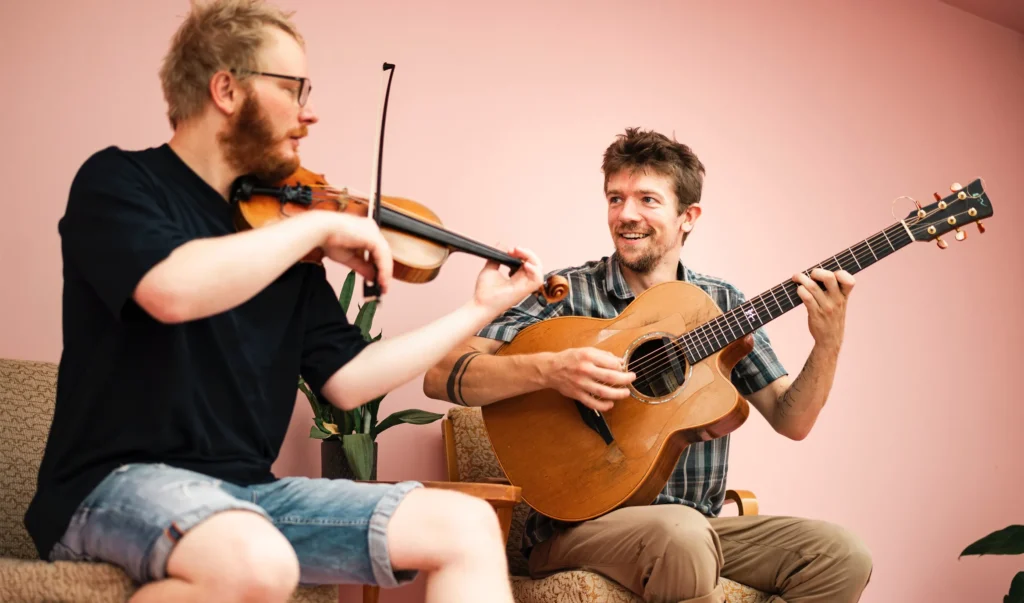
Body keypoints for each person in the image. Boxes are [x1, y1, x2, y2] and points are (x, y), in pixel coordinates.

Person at [24, 1, 547, 602]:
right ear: (226, 89)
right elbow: (170, 290)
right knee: (255, 559)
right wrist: (318, 229)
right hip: (112, 485)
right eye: (294, 88)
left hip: (249, 494)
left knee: (468, 525)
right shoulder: (120, 182)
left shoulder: (280, 230)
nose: (309, 111)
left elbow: (350, 381)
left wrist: (480, 308)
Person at [423, 127, 874, 603]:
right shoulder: (567, 292)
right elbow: (440, 372)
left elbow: (792, 419)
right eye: (615, 199)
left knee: (841, 555)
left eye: (647, 200)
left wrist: (828, 341)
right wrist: (553, 369)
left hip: (697, 528)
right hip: (579, 527)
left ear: (688, 217)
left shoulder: (721, 304)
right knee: (681, 536)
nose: (626, 214)